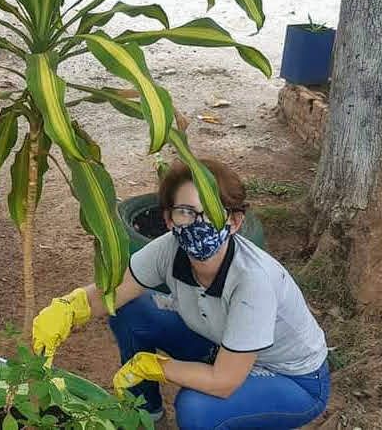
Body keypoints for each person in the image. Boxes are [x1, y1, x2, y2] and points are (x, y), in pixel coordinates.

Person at [32, 159, 330, 429]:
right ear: (169, 219)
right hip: (221, 347)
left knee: (197, 409)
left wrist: (154, 366)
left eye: (211, 213)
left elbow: (224, 382)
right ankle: (144, 416)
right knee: (133, 311)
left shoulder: (253, 282)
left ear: (235, 222)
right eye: (186, 212)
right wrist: (68, 309)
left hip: (293, 379)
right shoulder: (168, 249)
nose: (198, 224)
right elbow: (116, 292)